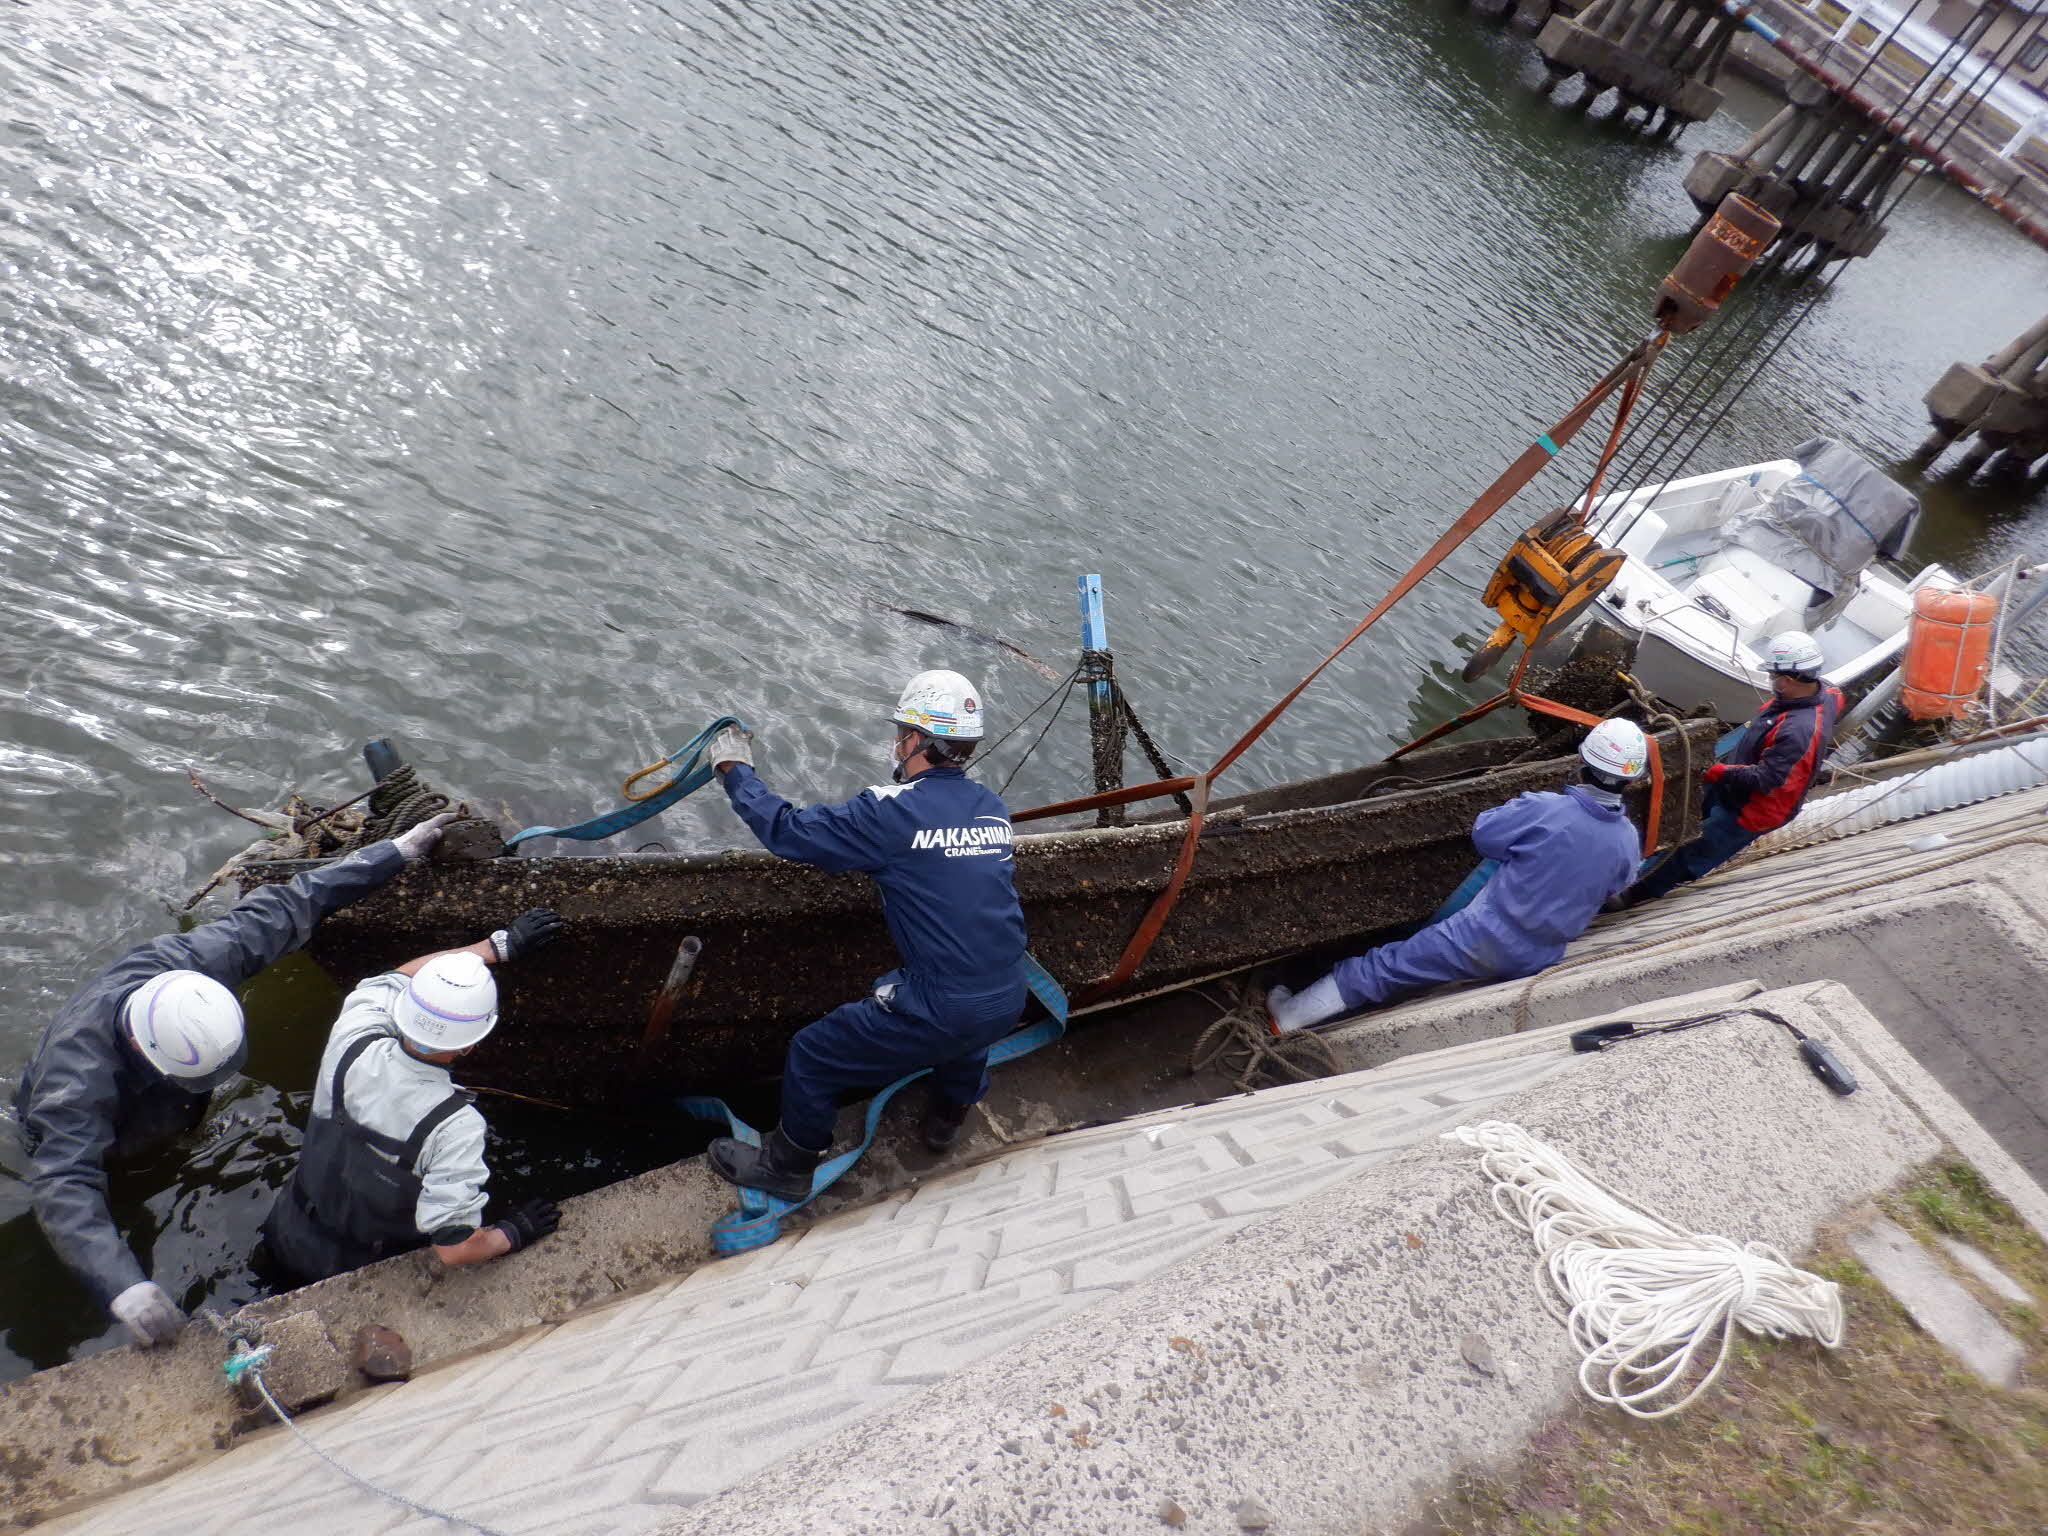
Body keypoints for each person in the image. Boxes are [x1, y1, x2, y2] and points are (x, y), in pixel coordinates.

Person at [12, 812, 457, 1349]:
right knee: (115, 1176)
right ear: (145, 1054)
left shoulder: (189, 964)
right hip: (114, 1123)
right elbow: (64, 1181)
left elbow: (291, 902)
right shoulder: (76, 1084)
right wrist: (122, 1285)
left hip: (162, 1087)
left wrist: (392, 854)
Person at [703, 669, 1029, 1201]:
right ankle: (946, 1121)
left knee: (812, 1053)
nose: (897, 743)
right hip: (1009, 993)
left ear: (920, 741)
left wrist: (735, 770)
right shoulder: (992, 809)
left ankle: (787, 1167)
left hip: (943, 1003)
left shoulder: (889, 810)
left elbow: (788, 831)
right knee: (968, 1040)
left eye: (903, 732)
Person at [1267, 719, 1651, 1034]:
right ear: (1631, 781)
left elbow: (1486, 835)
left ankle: (1288, 1017)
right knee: (1419, 967)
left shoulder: (1545, 809)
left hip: (1481, 936)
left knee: (1377, 967)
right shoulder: (1627, 841)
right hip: (1538, 956)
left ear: (1581, 762)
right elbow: (1617, 886)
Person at [259, 911, 568, 1285]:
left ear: (404, 1010)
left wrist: (492, 948)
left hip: (287, 1228)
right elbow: (454, 1249)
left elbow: (397, 977)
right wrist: (511, 1233)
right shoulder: (455, 1127)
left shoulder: (352, 1037)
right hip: (356, 1266)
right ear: (471, 1044)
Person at [1611, 631, 1842, 910]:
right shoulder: (1825, 693)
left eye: (1773, 676)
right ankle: (1633, 860)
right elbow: (1839, 697)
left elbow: (1766, 779)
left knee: (1695, 853)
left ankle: (1630, 896)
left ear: (1789, 680)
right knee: (1682, 818)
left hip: (1753, 809)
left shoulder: (1798, 730)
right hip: (1733, 785)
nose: (1770, 681)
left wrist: (1717, 771)